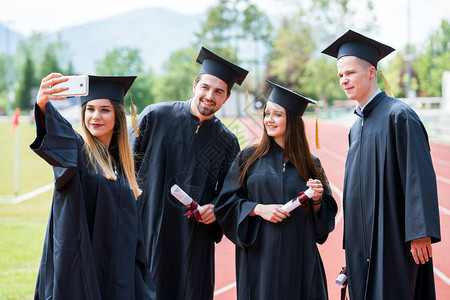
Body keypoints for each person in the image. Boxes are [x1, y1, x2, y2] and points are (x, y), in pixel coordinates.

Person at [322, 29, 441, 299]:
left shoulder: (399, 116)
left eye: (350, 73)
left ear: (371, 72)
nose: (344, 80)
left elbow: (418, 175)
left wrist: (420, 232)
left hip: (394, 239)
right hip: (361, 245)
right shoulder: (356, 127)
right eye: (340, 75)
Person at [130, 46, 248, 299]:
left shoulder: (227, 142)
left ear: (226, 98)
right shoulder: (155, 116)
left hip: (192, 238)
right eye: (205, 87)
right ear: (195, 85)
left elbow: (228, 195)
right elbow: (124, 168)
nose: (210, 96)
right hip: (146, 227)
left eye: (219, 91)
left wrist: (215, 209)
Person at [215, 80, 338, 300]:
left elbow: (324, 227)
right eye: (267, 114)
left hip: (299, 257)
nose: (269, 120)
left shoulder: (311, 164)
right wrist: (258, 209)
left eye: (277, 115)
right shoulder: (248, 158)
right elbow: (225, 204)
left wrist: (317, 200)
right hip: (259, 257)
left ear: (291, 120)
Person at [31, 73, 148, 299]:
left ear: (118, 117)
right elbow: (59, 136)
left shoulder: (121, 169)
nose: (96, 116)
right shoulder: (77, 154)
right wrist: (43, 104)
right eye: (90, 109)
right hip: (80, 281)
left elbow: (133, 241)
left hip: (119, 283)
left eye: (105, 110)